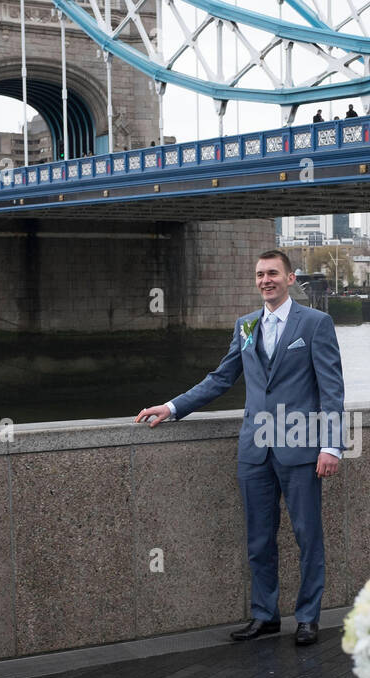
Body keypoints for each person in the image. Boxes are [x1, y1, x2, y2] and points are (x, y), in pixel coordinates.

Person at [135, 251, 345, 647]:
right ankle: (264, 616)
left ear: (290, 278)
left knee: (307, 536)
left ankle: (307, 618)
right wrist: (173, 406)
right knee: (259, 539)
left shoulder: (316, 323)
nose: (266, 280)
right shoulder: (246, 326)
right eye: (260, 275)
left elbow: (331, 388)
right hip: (254, 449)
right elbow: (220, 378)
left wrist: (331, 445)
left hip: (300, 445)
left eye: (273, 274)